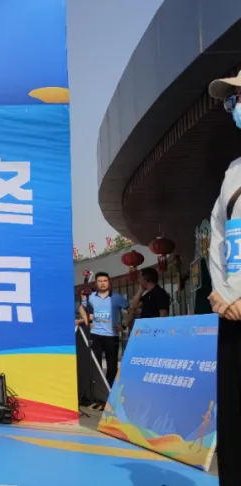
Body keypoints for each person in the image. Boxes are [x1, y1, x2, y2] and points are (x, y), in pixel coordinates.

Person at [206, 69, 241, 486]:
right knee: (232, 421)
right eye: (232, 101)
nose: (234, 107)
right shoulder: (233, 170)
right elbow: (217, 237)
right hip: (230, 313)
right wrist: (220, 293)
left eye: (239, 98)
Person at [77, 272, 127, 408]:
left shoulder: (117, 297)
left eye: (105, 280)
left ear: (109, 282)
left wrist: (123, 325)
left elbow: (130, 309)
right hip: (96, 336)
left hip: (112, 337)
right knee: (96, 366)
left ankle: (110, 396)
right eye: (100, 281)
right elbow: (81, 307)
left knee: (112, 367)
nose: (103, 283)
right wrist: (87, 321)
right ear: (96, 283)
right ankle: (97, 396)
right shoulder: (91, 296)